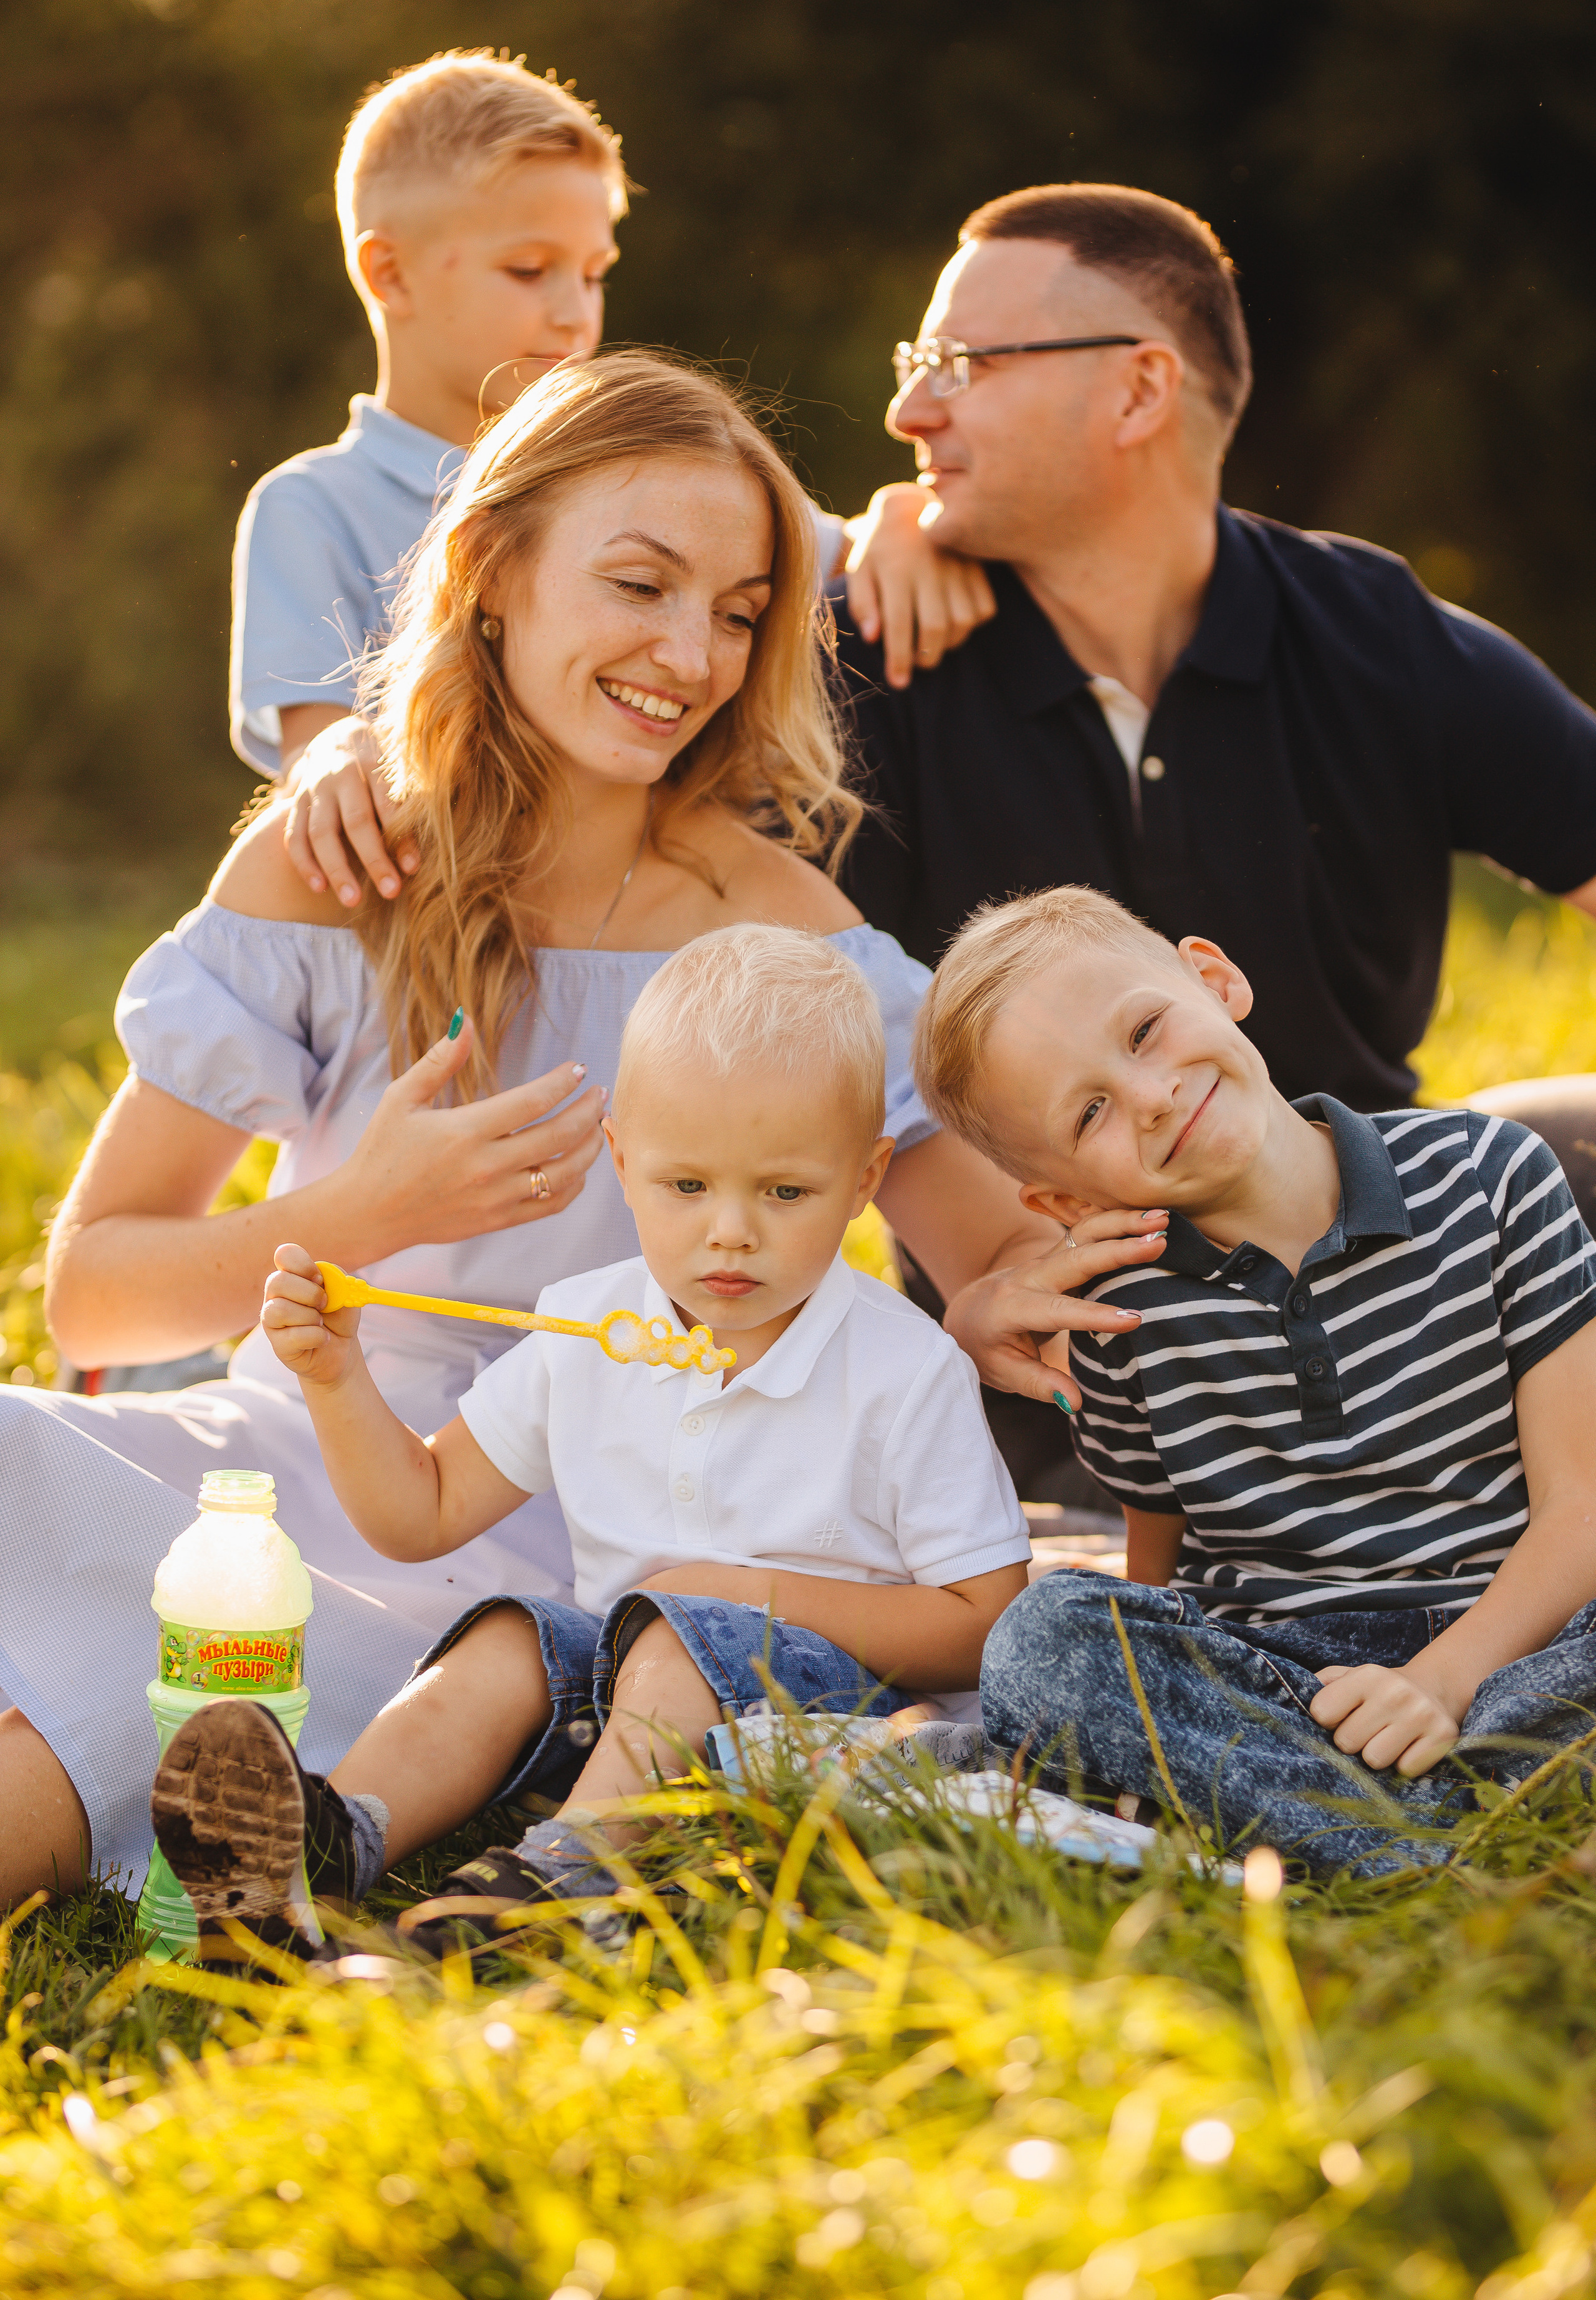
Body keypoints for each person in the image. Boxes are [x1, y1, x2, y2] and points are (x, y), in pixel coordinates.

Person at [5, 352, 1110, 1910]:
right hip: (293, 1455)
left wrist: (1006, 1297)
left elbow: (978, 1249)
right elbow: (98, 1295)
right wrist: (363, 1212)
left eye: (736, 612)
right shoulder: (332, 871)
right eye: (640, 585)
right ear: (494, 573)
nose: (691, 654)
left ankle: (280, 1829)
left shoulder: (784, 932)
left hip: (564, 1547)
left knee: (95, 1734)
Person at [829, 182, 1596, 1412]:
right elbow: (806, 1025)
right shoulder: (869, 657)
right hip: (1055, 1361)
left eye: (961, 364)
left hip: (1411, 1335)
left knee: (1571, 1140)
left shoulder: (1368, 634)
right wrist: (999, 1272)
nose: (907, 406)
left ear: (1138, 389)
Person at [150, 926, 1031, 1957]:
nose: (730, 1233)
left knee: (672, 1639)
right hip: (634, 1701)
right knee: (515, 1639)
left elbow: (986, 1624)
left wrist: (736, 1597)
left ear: (866, 1177)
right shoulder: (591, 1332)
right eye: (686, 1186)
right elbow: (419, 1512)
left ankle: (543, 1899)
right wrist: (338, 1379)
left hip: (842, 1724)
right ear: (623, 1158)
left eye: (785, 1192)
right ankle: (321, 1848)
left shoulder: (903, 1367)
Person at [911, 884, 1596, 1876]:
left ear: (1214, 978)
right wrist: (1123, 1687)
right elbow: (1161, 1562)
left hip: (1524, 1634)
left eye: (1145, 1031)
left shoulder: (1489, 1176)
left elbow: (1581, 1508)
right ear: (1062, 1197)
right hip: (1291, 1679)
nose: (1149, 1097)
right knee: (1045, 1639)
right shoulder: (1120, 1317)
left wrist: (1446, 1679)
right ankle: (1443, 1846)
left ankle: (1366, 1832)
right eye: (1091, 1110)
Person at [232, 47, 992, 902]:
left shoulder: (642, 478)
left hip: (653, 923)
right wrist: (333, 752)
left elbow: (821, 550)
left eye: (594, 275)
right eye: (530, 270)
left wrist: (893, 521)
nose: (574, 312)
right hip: (433, 937)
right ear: (389, 272)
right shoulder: (311, 506)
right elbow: (315, 746)